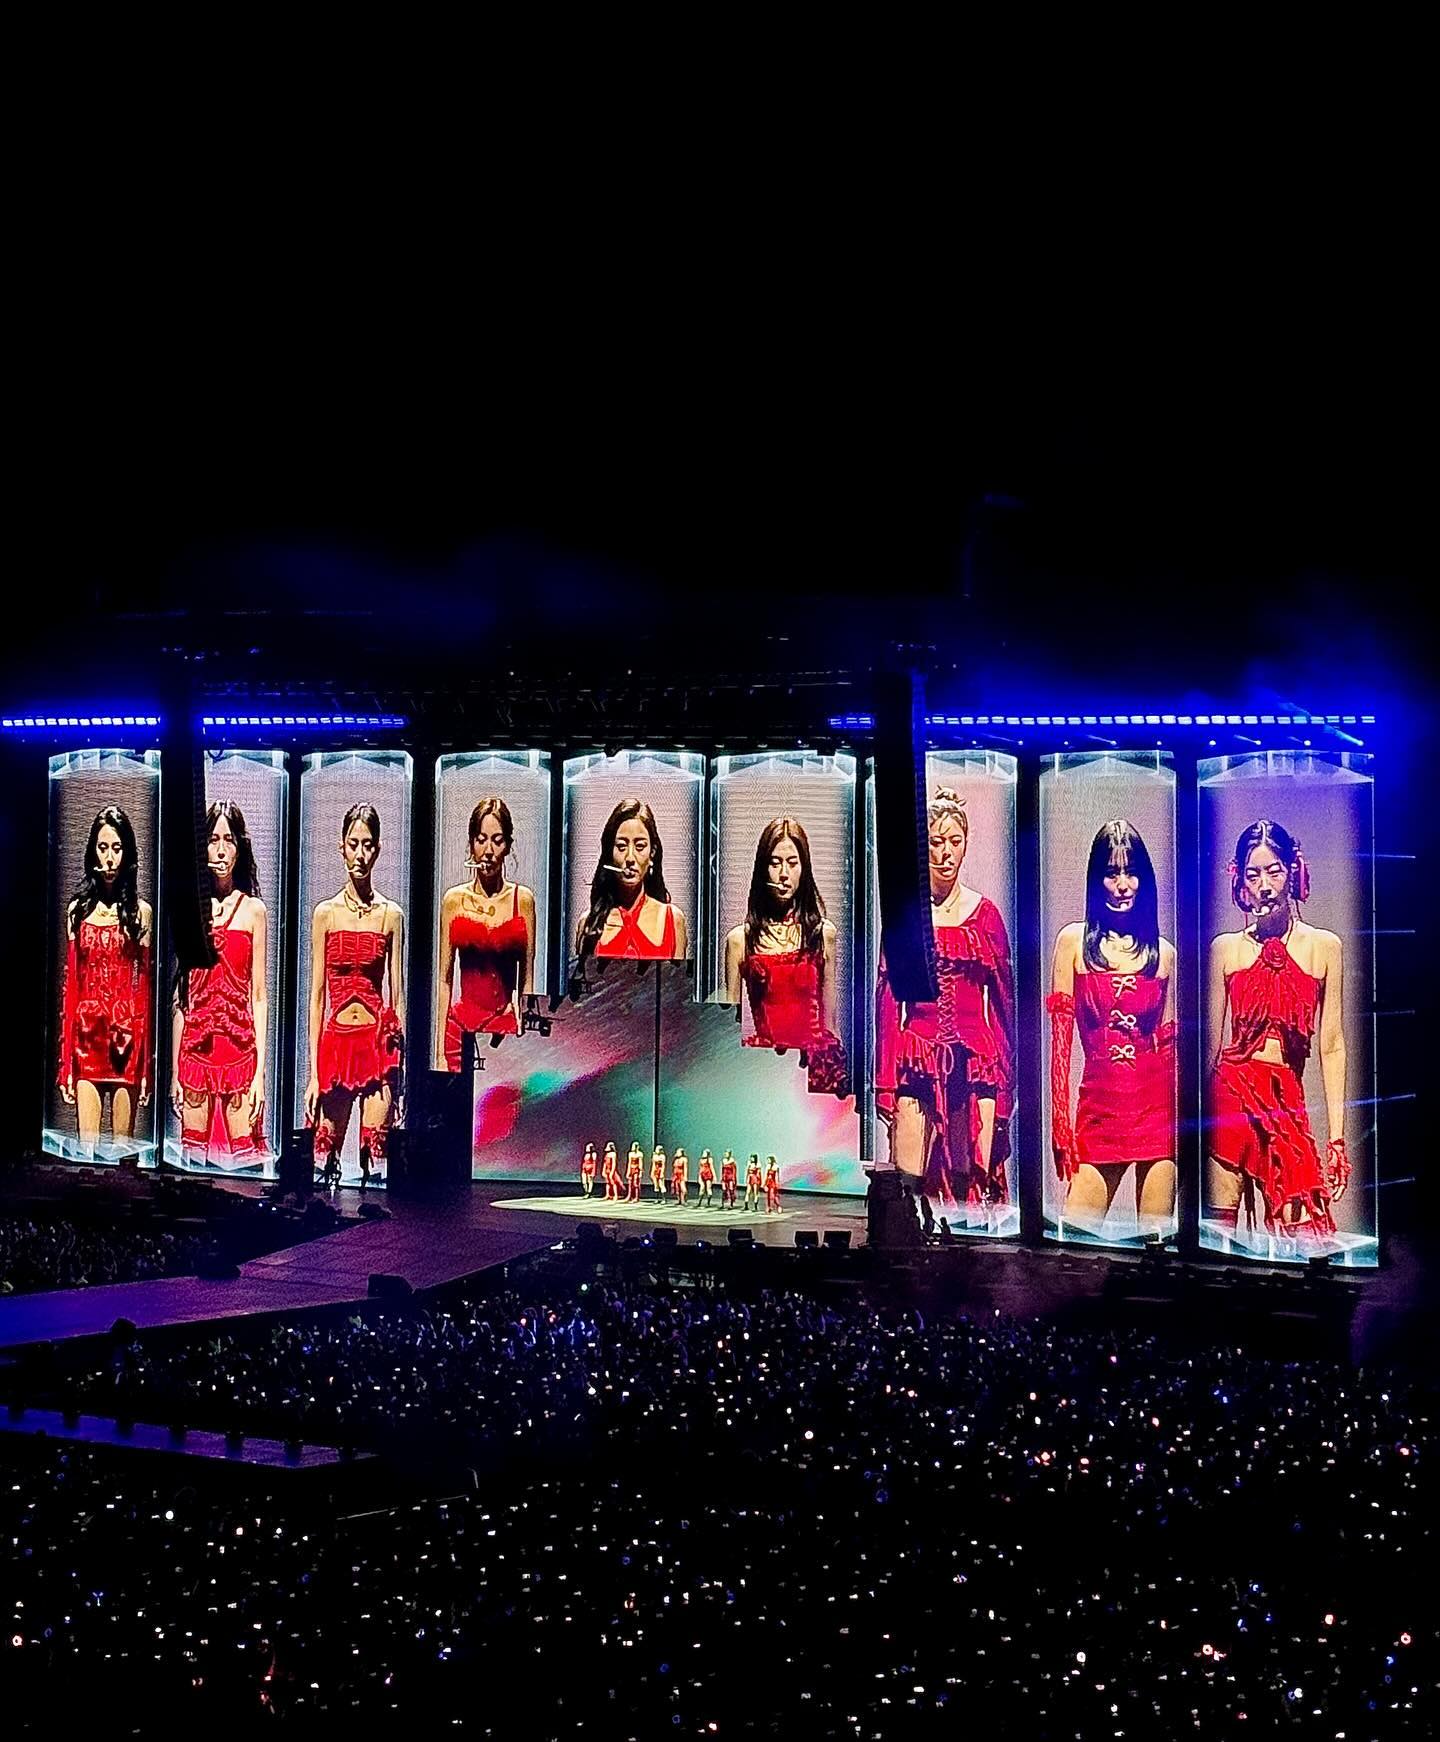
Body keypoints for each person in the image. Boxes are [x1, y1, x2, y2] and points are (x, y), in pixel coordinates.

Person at [1206, 819, 1349, 1248]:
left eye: (1274, 871)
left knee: (1305, 1236)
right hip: (1231, 1092)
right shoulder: (1226, 948)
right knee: (1219, 1234)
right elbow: (1210, 1048)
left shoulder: (1324, 947)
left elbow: (1332, 1045)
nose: (1264, 886)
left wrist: (1337, 1138)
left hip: (1285, 1099)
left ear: (1292, 870)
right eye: (1253, 875)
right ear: (1240, 882)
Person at [876, 787, 1015, 1218]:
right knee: (908, 1185)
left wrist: (1008, 1084)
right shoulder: (906, 916)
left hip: (976, 1063)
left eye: (954, 841)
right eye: (936, 842)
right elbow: (887, 1002)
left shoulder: (986, 916)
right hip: (918, 1056)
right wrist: (885, 1083)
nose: (945, 853)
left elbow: (1005, 1006)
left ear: (966, 844)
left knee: (972, 1183)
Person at [1047, 820, 1177, 1239]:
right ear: (1095, 879)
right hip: (1100, 1110)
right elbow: (1060, 1046)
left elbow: (1170, 1051)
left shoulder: (1164, 954)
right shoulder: (1073, 943)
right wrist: (1060, 1121)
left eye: (1131, 872)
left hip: (1157, 1113)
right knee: (1074, 1242)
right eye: (1111, 873)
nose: (1123, 885)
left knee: (1155, 1248)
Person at [304, 804, 405, 1188]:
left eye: (367, 845)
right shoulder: (325, 914)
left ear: (377, 849)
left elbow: (397, 996)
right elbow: (316, 997)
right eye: (353, 844)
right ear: (341, 847)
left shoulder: (390, 915)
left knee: (375, 1166)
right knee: (323, 1161)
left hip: (377, 1045)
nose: (360, 854)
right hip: (337, 1046)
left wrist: (399, 1069)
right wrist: (314, 1074)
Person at [170, 801, 268, 1169]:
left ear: (239, 847)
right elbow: (182, 996)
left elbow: (259, 996)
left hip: (239, 1051)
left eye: (229, 840)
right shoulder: (191, 909)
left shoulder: (254, 911)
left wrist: (259, 1075)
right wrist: (175, 1072)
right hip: (196, 1050)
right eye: (213, 840)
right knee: (193, 1165)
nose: (221, 850)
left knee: (245, 1165)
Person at [724, 817, 846, 1094]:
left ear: (804, 868)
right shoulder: (739, 941)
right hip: (765, 1072)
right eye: (775, 863)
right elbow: (727, 1034)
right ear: (762, 868)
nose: (783, 873)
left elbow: (830, 1023)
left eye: (792, 863)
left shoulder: (823, 934)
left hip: (815, 1070)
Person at [58, 805, 153, 1157]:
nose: (109, 858)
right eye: (102, 848)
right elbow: (71, 989)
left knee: (123, 1153)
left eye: (116, 848)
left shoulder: (141, 913)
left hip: (126, 1041)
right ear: (92, 852)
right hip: (87, 1039)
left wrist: (146, 1065)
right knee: (87, 1151)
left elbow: (144, 993)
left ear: (127, 853)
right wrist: (66, 1064)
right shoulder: (77, 911)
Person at [436, 798, 537, 1070]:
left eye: (497, 841)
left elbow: (527, 980)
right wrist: (439, 1054)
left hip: (505, 1029)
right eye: (481, 840)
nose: (489, 851)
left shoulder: (522, 900)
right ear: (471, 844)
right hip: (460, 1029)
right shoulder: (454, 900)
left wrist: (526, 1036)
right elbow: (444, 980)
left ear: (508, 846)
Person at [572, 799, 688, 988]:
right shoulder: (588, 923)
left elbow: (676, 994)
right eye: (621, 846)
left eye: (640, 846)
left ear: (652, 853)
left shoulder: (672, 920)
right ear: (610, 853)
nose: (630, 858)